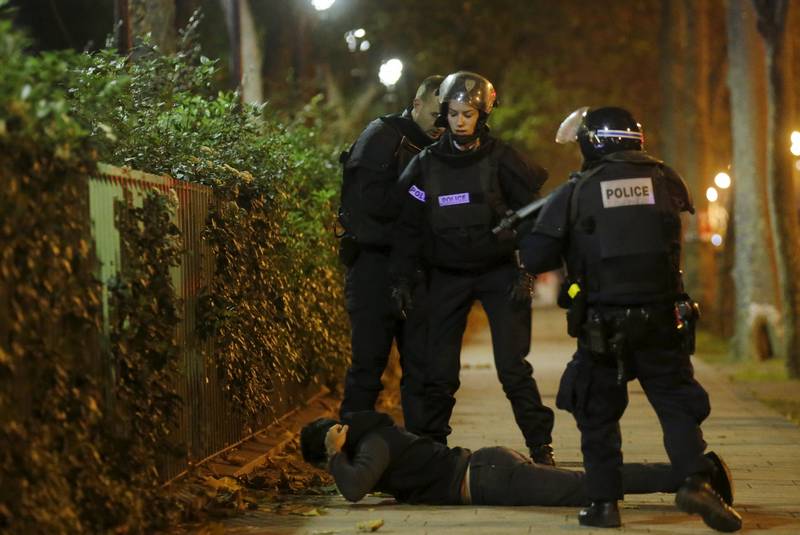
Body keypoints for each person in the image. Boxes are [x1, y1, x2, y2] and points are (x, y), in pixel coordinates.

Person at [518, 106, 742, 531]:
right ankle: (695, 481)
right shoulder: (666, 179)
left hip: (603, 325)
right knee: (677, 404)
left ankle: (604, 505)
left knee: (597, 412)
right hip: (663, 318)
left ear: (589, 143)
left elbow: (536, 257)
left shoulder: (577, 190)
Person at [390, 71, 555, 465]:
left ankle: (540, 446)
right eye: (454, 113)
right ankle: (431, 448)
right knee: (439, 371)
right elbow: (408, 222)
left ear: (483, 115)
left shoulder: (503, 159)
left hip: (498, 273)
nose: (460, 120)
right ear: (444, 113)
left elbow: (535, 217)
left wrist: (526, 270)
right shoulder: (425, 166)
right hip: (446, 275)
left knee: (513, 368)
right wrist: (402, 276)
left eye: (468, 113)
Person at [299, 412, 734, 511]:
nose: (329, 470)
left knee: (591, 485)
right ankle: (691, 471)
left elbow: (354, 488)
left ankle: (697, 471)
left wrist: (336, 457)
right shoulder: (375, 442)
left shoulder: (374, 443)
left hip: (490, 478)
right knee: (589, 483)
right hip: (489, 473)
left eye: (324, 461)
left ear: (335, 443)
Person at [336, 75, 444, 433]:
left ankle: (427, 458)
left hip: (419, 271)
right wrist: (416, 206)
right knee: (367, 367)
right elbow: (369, 204)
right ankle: (350, 453)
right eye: (434, 115)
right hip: (375, 266)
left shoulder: (444, 147)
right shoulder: (383, 136)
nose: (440, 125)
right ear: (415, 105)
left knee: (423, 372)